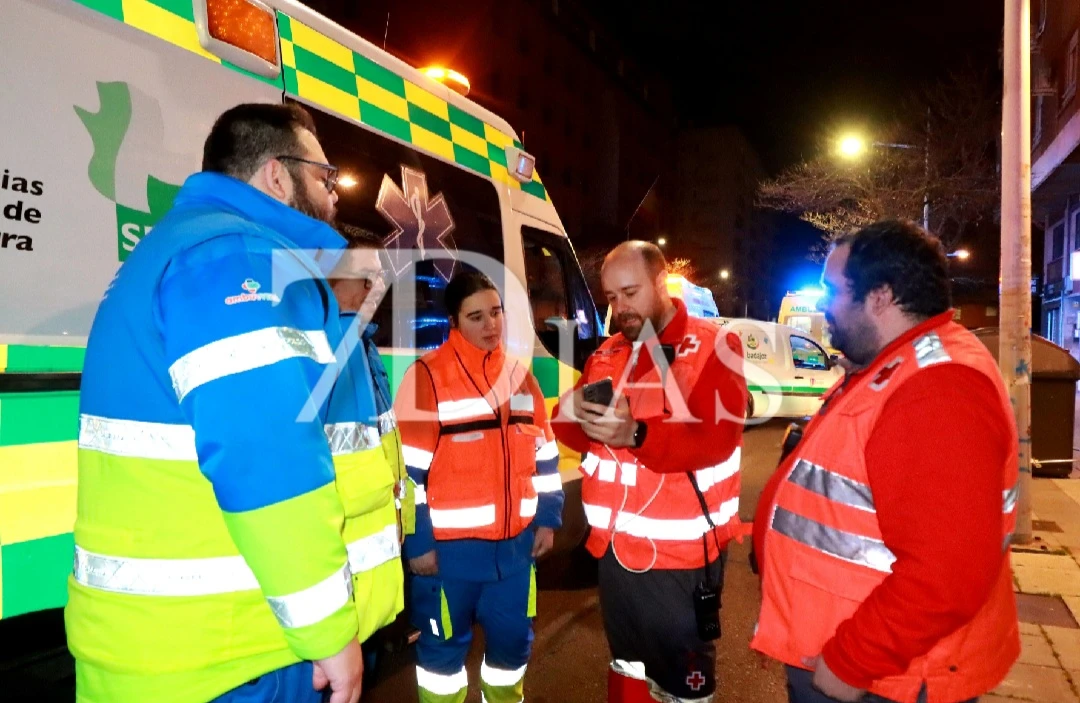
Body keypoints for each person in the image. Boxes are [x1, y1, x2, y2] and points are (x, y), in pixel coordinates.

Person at [67, 103, 401, 703]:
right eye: (325, 177)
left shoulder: (194, 248)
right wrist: (327, 630)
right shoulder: (237, 257)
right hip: (239, 659)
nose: (333, 196)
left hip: (204, 651)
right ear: (277, 176)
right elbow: (268, 455)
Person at [751, 220, 1020, 703]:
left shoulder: (938, 390)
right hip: (865, 661)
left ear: (880, 296)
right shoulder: (899, 365)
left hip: (883, 676)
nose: (824, 305)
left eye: (833, 291)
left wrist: (853, 659)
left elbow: (947, 572)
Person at [551, 241, 748, 703]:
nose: (620, 308)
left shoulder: (716, 345)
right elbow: (572, 432)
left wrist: (636, 434)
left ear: (661, 283)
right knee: (628, 672)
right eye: (611, 297)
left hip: (681, 560)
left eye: (630, 293)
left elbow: (716, 440)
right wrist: (572, 412)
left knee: (684, 683)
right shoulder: (608, 353)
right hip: (615, 554)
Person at [393, 270, 565, 703]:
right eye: (476, 317)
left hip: (515, 555)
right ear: (454, 321)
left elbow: (545, 453)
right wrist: (418, 542)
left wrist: (548, 517)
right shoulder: (426, 378)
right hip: (449, 559)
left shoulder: (520, 377)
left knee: (512, 653)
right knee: (441, 663)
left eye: (496, 312)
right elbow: (408, 475)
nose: (491, 325)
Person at [327, 226, 415, 685]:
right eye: (364, 279)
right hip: (336, 594)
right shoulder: (325, 348)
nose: (374, 290)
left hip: (366, 585)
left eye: (379, 279)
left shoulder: (361, 343)